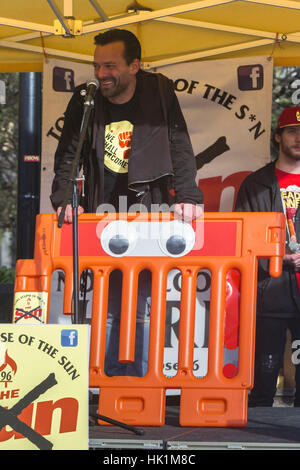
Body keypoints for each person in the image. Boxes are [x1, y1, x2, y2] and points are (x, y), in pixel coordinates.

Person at [50, 29, 203, 376]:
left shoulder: (159, 91)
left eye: (110, 66)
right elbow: (68, 154)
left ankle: (138, 381)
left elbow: (179, 143)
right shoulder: (86, 97)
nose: (101, 74)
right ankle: (96, 384)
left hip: (148, 209)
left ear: (135, 66)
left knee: (142, 304)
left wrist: (189, 195)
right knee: (103, 304)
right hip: (101, 211)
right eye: (96, 66)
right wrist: (63, 198)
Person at [235, 106, 300, 406]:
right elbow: (241, 238)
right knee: (263, 377)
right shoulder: (255, 183)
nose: (299, 138)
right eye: (292, 131)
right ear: (278, 137)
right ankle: (258, 436)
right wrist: (277, 255)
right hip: (268, 290)